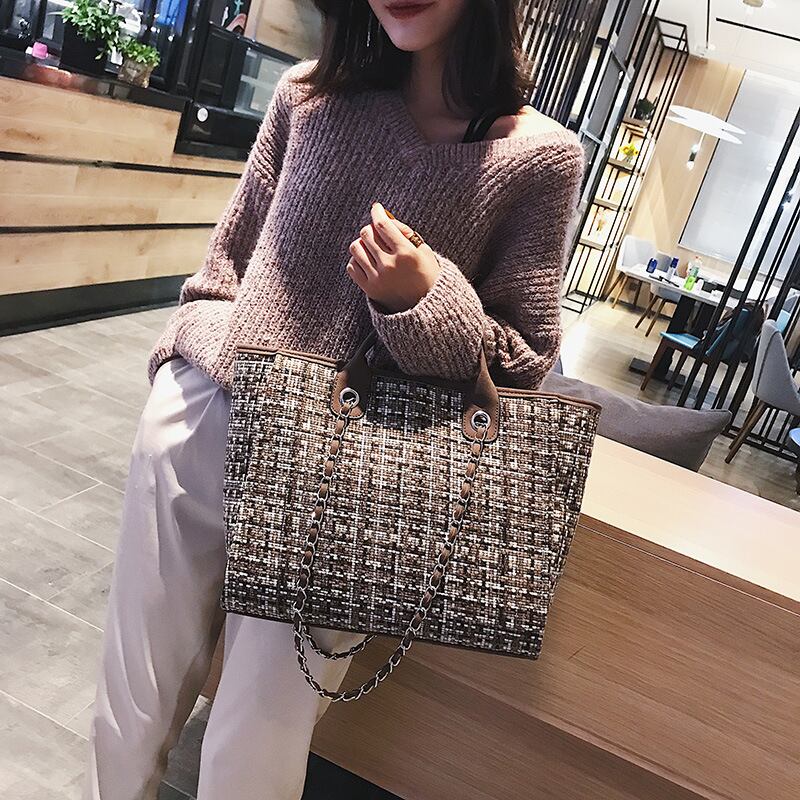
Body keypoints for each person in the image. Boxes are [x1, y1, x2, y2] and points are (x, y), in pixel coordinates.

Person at [83, 0, 585, 797]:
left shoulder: (539, 159)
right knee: (128, 705)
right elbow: (221, 274)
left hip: (344, 479)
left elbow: (522, 367)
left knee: (257, 745)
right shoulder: (308, 96)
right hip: (205, 422)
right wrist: (194, 371)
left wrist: (426, 299)